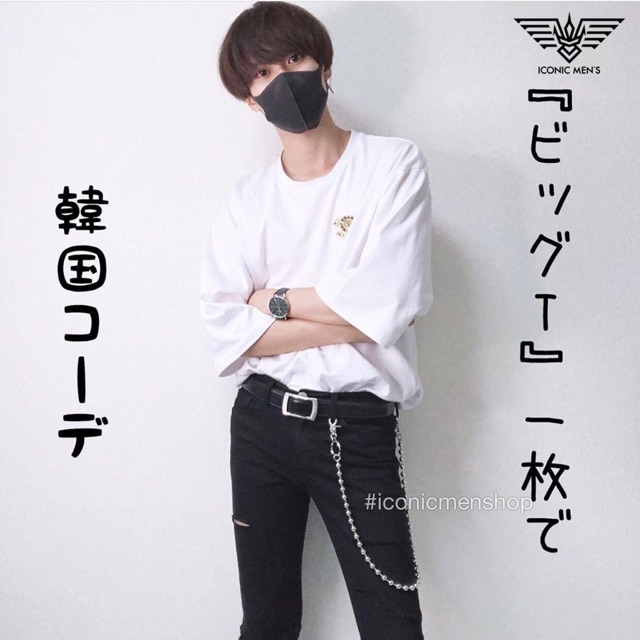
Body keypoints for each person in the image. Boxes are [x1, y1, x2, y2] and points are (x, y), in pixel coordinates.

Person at [199, 2, 433, 639]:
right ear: (249, 99)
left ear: (324, 66)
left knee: (392, 623)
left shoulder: (391, 165)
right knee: (266, 622)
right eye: (262, 73)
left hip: (357, 428)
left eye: (294, 58)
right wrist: (355, 316)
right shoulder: (246, 200)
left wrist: (272, 301)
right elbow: (223, 326)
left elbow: (393, 300)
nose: (283, 79)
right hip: (260, 423)